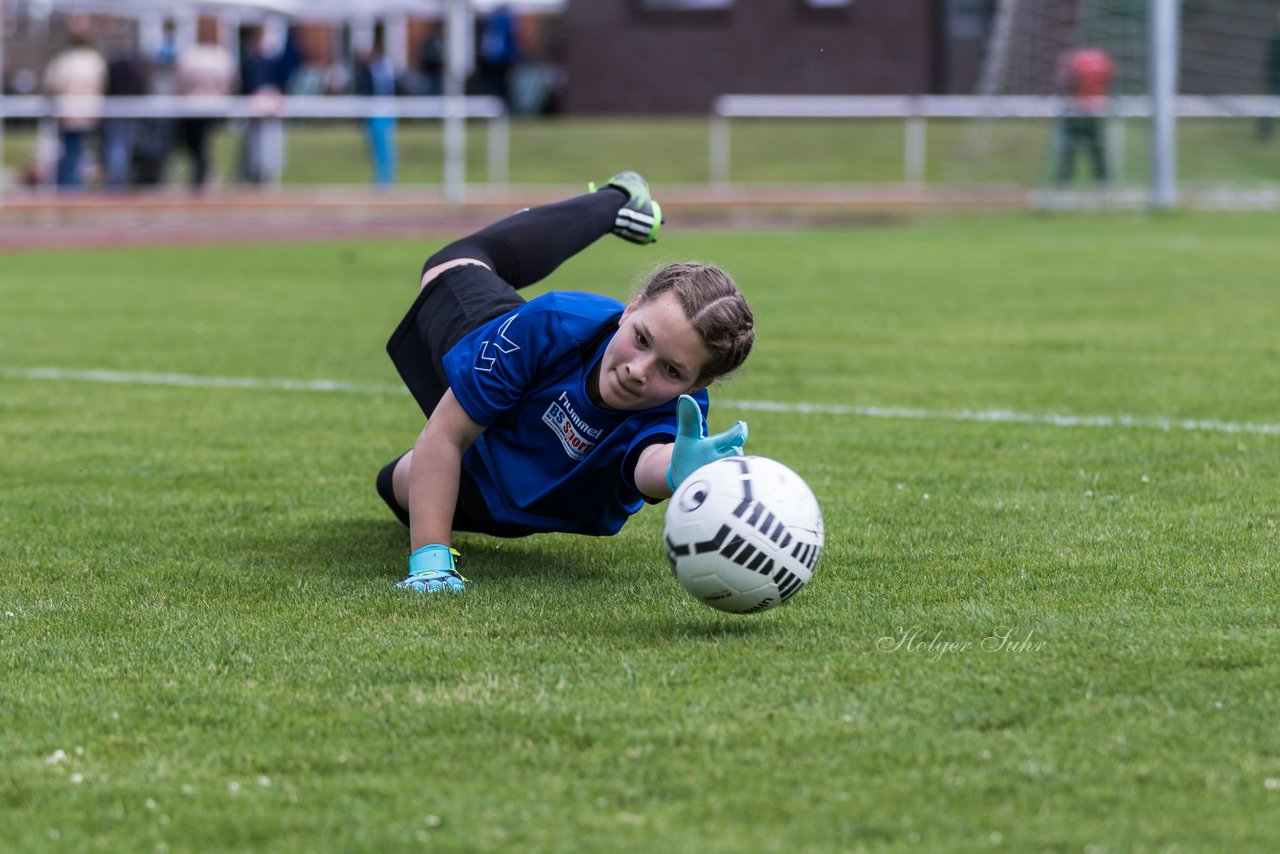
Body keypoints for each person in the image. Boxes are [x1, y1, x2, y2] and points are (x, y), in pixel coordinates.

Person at [378, 172, 754, 592]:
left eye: (671, 370)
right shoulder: (554, 323)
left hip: (515, 471)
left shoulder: (683, 412)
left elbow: (646, 461)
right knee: (455, 263)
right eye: (641, 339)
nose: (638, 370)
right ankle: (616, 201)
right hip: (503, 342)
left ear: (698, 382)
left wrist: (676, 473)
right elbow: (445, 435)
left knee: (399, 484)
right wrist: (431, 562)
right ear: (629, 310)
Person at [42, 15, 107, 190]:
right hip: (68, 115)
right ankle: (69, 189)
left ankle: (76, 188)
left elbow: (100, 85)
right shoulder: (63, 58)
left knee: (83, 155)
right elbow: (52, 83)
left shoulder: (93, 58)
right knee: (71, 153)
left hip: (87, 114)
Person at [174, 25, 237, 190]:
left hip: (198, 108)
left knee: (203, 145)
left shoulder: (192, 55)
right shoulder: (221, 56)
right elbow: (231, 83)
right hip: (205, 108)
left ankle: (205, 174)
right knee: (198, 145)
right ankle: (204, 173)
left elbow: (181, 82)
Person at [1054, 45, 1114, 186]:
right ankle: (1103, 180)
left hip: (1076, 110)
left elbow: (1065, 82)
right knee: (1094, 148)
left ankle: (1064, 180)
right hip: (1092, 111)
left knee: (1071, 148)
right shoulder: (1101, 58)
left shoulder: (1072, 60)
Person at [352, 35, 399, 187]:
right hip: (372, 113)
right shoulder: (365, 70)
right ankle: (381, 178)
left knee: (384, 146)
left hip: (384, 112)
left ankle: (385, 180)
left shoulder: (385, 66)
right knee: (374, 147)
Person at [100, 49, 149, 191]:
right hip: (122, 114)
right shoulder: (133, 68)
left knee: (118, 148)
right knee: (121, 148)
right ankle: (117, 183)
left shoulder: (116, 67)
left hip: (119, 114)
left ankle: (117, 183)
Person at [1258, 8, 1280, 141]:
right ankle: (1264, 133)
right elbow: (1270, 61)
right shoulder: (1275, 37)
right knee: (1270, 106)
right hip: (1276, 79)